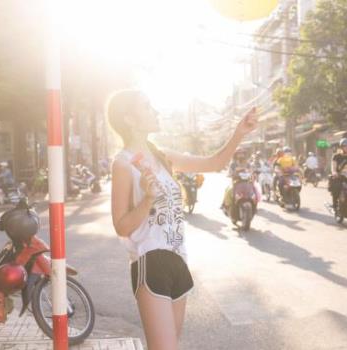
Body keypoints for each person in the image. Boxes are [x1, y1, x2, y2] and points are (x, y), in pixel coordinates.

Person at [108, 89, 257, 349]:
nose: (155, 111)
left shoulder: (163, 157)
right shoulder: (123, 164)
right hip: (150, 261)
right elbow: (121, 226)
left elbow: (214, 163)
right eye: (147, 106)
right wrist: (147, 199)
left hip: (179, 260)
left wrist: (239, 133)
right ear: (129, 119)